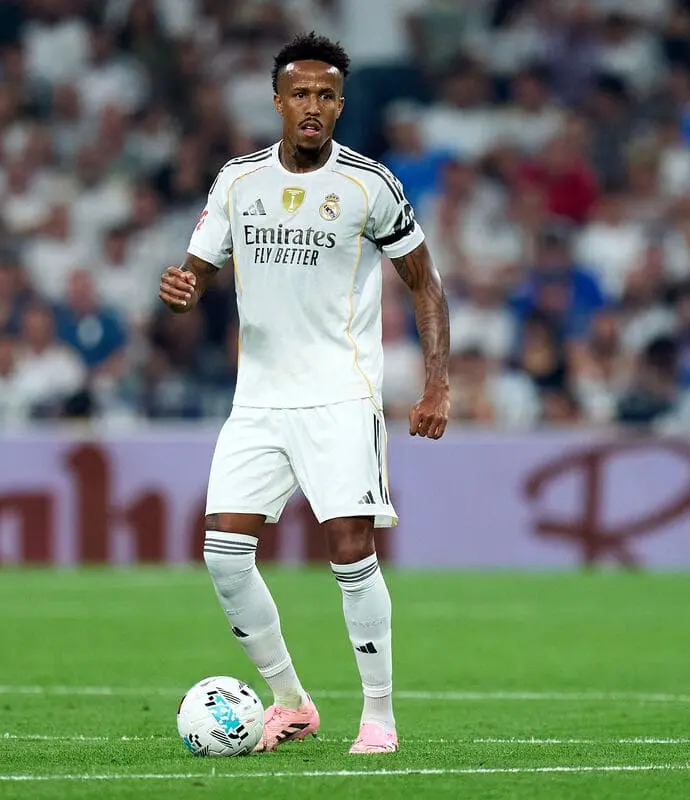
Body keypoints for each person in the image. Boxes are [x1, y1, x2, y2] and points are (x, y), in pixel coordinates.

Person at [158, 33, 451, 755]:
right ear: (278, 101)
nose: (312, 107)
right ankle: (291, 701)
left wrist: (437, 382)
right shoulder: (237, 179)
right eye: (300, 95)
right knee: (225, 555)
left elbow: (424, 282)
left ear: (341, 105)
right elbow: (197, 267)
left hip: (338, 397)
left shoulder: (368, 184)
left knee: (349, 549)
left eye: (325, 96)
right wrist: (182, 290)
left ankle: (378, 715)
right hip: (257, 400)